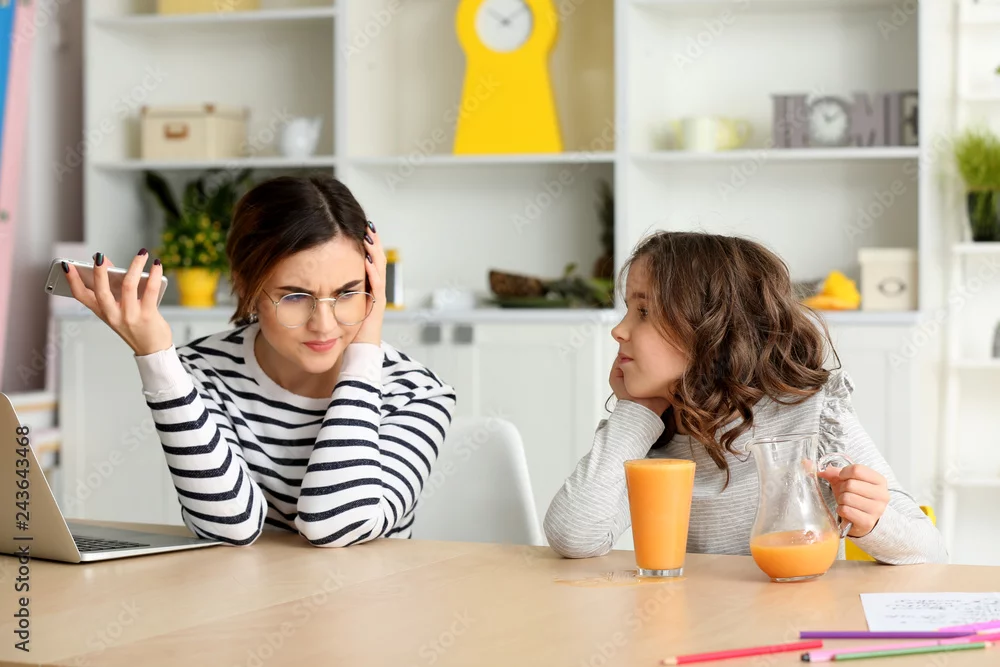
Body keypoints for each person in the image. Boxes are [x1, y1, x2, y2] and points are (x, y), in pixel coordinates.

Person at [64, 175, 456, 547]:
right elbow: (230, 527)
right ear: (245, 286)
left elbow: (336, 526)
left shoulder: (418, 395)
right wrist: (157, 359)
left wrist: (365, 349)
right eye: (295, 296)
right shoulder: (200, 372)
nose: (324, 324)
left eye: (348, 293)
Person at [543, 231, 947, 565]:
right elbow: (575, 537)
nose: (619, 330)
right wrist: (637, 410)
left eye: (644, 312)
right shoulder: (649, 431)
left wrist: (873, 521)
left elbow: (932, 553)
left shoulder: (812, 415)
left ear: (712, 329)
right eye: (628, 310)